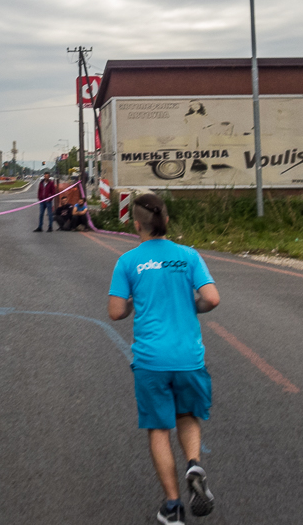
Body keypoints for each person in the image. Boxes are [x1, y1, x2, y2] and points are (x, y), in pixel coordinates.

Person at [107, 194, 220, 524]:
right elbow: (211, 298)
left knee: (158, 428)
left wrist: (131, 304)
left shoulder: (127, 262)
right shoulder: (188, 256)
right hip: (188, 358)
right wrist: (191, 306)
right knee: (187, 415)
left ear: (135, 224)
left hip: (151, 361)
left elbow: (115, 312)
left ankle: (173, 506)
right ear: (167, 221)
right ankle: (194, 463)